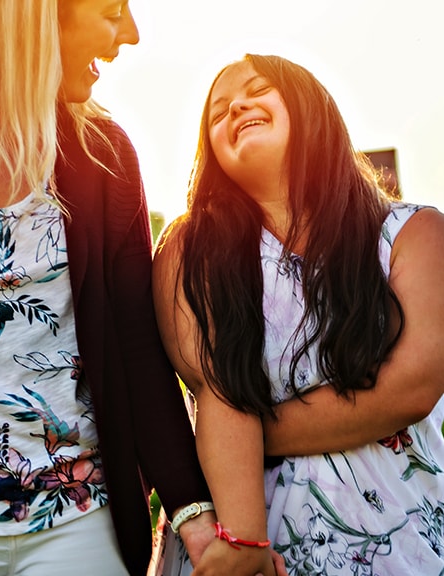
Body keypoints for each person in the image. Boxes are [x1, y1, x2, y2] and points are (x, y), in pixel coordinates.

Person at [0, 1, 218, 574]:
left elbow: (138, 349)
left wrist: (192, 512)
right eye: (111, 11)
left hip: (77, 522)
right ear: (40, 16)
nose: (130, 33)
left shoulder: (104, 155)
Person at [153, 53, 444, 575]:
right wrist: (243, 540)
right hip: (249, 549)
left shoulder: (413, 234)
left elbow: (414, 386)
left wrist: (242, 439)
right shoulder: (187, 253)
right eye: (218, 112)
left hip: (403, 546)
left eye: (258, 89)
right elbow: (215, 388)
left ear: (309, 106)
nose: (237, 107)